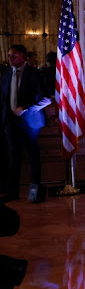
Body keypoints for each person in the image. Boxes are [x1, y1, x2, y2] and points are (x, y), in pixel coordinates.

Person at [0, 45, 48, 202]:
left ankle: (35, 193)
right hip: (11, 123)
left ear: (22, 56)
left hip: (30, 122)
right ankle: (12, 192)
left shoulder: (35, 74)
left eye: (13, 56)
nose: (10, 58)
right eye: (9, 55)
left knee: (33, 156)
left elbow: (46, 98)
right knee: (13, 157)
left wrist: (25, 108)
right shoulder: (7, 73)